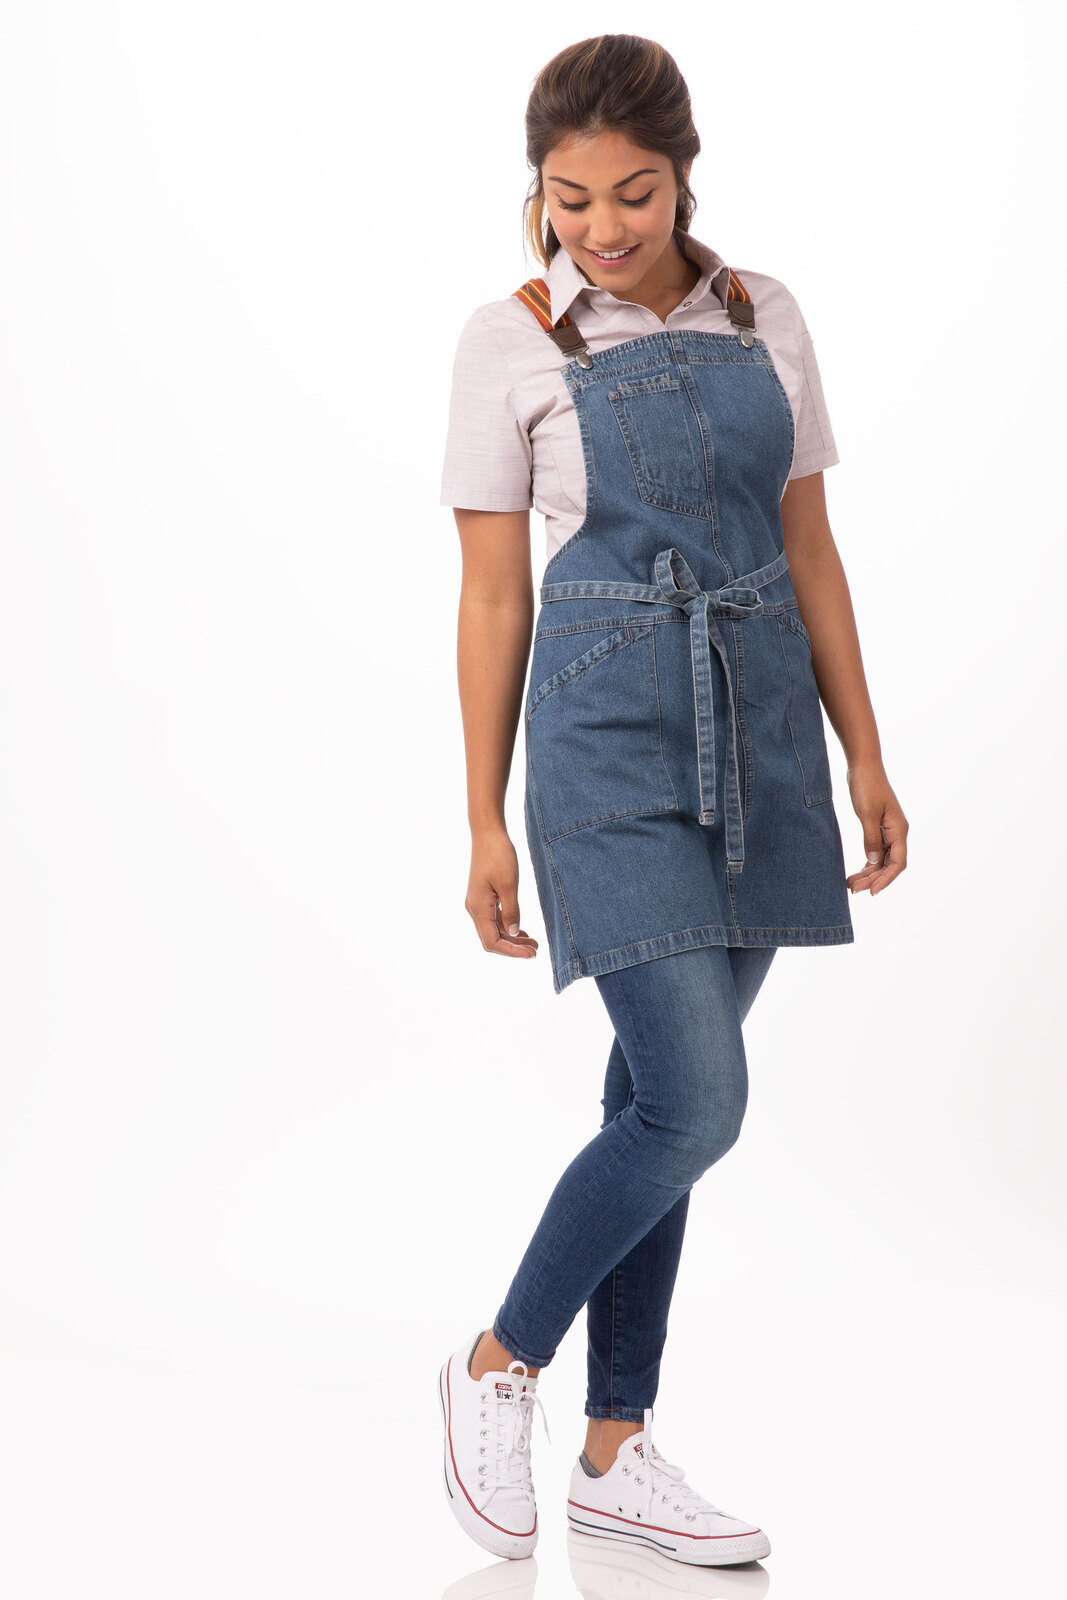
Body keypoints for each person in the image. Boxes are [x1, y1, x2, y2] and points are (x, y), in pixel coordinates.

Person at [436, 33, 908, 1569]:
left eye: (632, 194)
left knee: (653, 1109)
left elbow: (811, 548)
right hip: (603, 743)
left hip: (758, 729)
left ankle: (614, 1448)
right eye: (568, 199)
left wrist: (863, 751)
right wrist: (484, 815)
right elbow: (492, 597)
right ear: (539, 192)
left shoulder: (769, 316)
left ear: (685, 173)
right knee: (697, 1102)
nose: (601, 228)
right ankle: (496, 1363)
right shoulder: (507, 344)